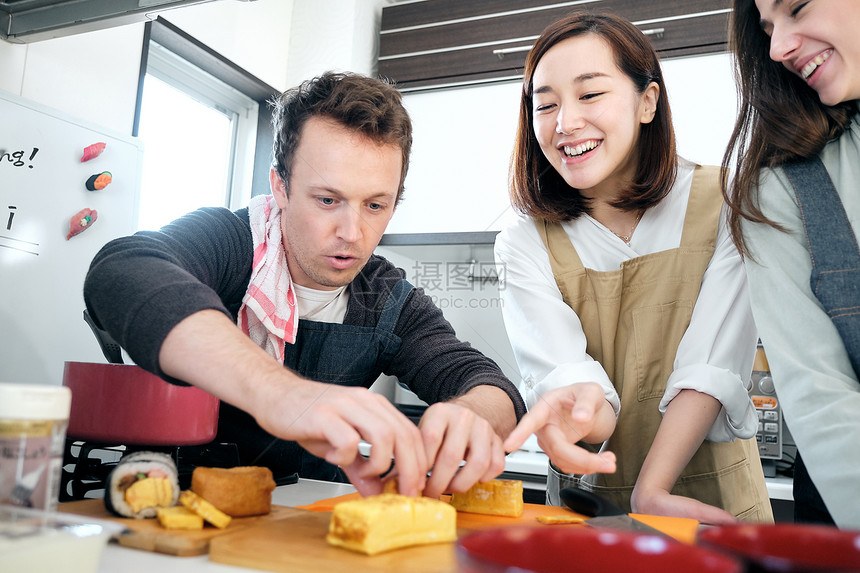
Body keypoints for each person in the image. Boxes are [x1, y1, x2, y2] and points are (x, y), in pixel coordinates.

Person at [83, 71, 529, 499]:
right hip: (169, 508)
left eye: (375, 204)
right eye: (328, 200)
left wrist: (472, 417)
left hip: (304, 525)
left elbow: (488, 384)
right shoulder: (227, 243)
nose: (352, 232)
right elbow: (122, 269)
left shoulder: (385, 298)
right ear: (281, 186)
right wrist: (283, 393)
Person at [496, 12, 773, 524]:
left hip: (714, 506)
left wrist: (654, 490)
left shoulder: (729, 200)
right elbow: (568, 376)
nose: (565, 122)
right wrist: (575, 405)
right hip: (589, 510)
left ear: (647, 102)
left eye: (590, 94)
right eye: (546, 104)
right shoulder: (524, 240)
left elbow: (709, 361)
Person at [722, 0, 860, 529]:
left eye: (797, 8)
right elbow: (820, 397)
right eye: (769, 30)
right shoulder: (781, 188)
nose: (779, 48)